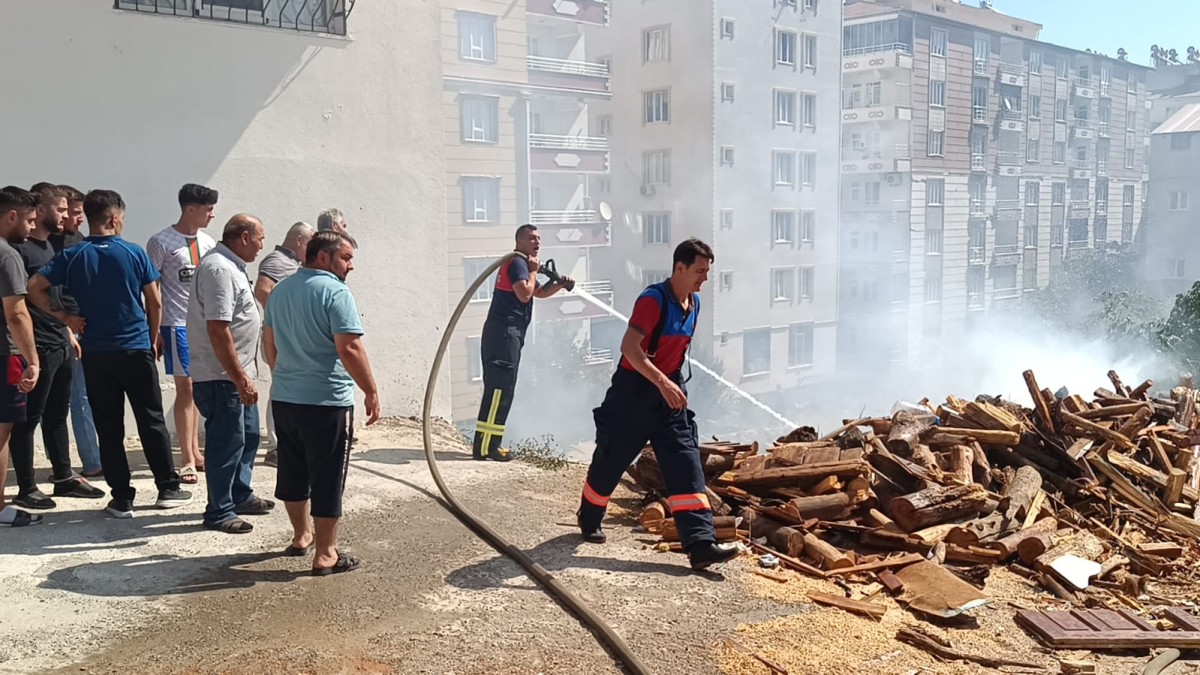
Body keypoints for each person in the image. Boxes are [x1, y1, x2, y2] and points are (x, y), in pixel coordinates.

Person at [576, 238, 738, 571]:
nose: (704, 279)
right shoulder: (653, 300)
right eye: (699, 271)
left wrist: (672, 385)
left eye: (707, 272)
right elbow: (630, 348)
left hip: (668, 393)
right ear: (679, 268)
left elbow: (674, 354)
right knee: (612, 458)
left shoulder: (693, 303)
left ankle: (701, 543)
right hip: (633, 393)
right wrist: (662, 382)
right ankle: (589, 515)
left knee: (686, 461)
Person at [29, 189, 192, 519]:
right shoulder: (133, 252)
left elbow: (34, 287)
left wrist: (65, 318)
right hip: (135, 347)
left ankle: (122, 497)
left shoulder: (73, 255)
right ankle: (168, 487)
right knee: (151, 419)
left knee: (108, 424)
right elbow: (155, 300)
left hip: (96, 352)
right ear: (115, 219)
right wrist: (151, 336)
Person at [263, 230, 380, 575]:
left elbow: (269, 340)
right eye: (346, 258)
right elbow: (349, 347)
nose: (351, 266)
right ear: (323, 257)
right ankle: (326, 553)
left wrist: (282, 374)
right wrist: (370, 390)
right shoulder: (336, 292)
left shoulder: (281, 290)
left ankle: (302, 537)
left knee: (293, 470)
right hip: (326, 402)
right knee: (327, 476)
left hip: (285, 398)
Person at [9, 185, 104, 510]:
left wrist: (67, 331)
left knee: (57, 414)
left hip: (60, 341)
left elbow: (57, 296)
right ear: (43, 211)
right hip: (37, 346)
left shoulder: (49, 246)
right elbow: (17, 306)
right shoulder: (17, 251)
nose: (65, 215)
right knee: (27, 417)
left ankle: (63, 476)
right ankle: (25, 487)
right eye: (60, 210)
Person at [188, 214, 273, 534]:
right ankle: (219, 510)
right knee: (227, 442)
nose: (262, 245)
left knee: (248, 437)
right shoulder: (219, 269)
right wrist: (238, 377)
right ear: (245, 237)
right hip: (222, 376)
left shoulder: (233, 266)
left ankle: (239, 493)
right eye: (261, 238)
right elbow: (218, 327)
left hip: (237, 374)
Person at [471, 224, 572, 461]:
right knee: (499, 391)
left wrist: (560, 284)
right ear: (519, 242)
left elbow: (538, 292)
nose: (537, 242)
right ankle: (487, 447)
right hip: (504, 335)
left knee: (501, 390)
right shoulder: (517, 263)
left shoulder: (523, 265)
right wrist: (535, 269)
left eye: (538, 239)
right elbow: (524, 293)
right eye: (531, 238)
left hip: (506, 335)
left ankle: (487, 445)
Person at [146, 183, 218, 484]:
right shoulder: (161, 241)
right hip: (176, 324)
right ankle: (186, 458)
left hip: (205, 327)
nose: (212, 214)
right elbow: (152, 288)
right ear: (191, 209)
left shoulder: (209, 242)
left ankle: (196, 450)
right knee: (185, 388)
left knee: (201, 387)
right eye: (208, 209)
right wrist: (155, 331)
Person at [253, 221, 314, 464]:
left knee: (289, 387)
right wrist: (283, 320)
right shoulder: (276, 260)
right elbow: (262, 290)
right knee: (280, 386)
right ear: (299, 240)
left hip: (285, 336)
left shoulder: (292, 263)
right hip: (278, 336)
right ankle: (276, 447)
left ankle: (287, 442)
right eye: (309, 243)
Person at [0, 187, 43, 527]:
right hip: (5, 355)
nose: (31, 228)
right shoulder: (8, 256)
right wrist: (33, 360)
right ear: (11, 216)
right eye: (29, 220)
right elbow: (16, 313)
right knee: (2, 432)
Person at [52, 185, 100, 477]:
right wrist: (65, 323)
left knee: (89, 395)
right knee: (76, 397)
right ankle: (92, 461)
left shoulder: (77, 239)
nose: (79, 218)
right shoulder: (48, 245)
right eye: (74, 213)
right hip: (64, 329)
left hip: (85, 324)